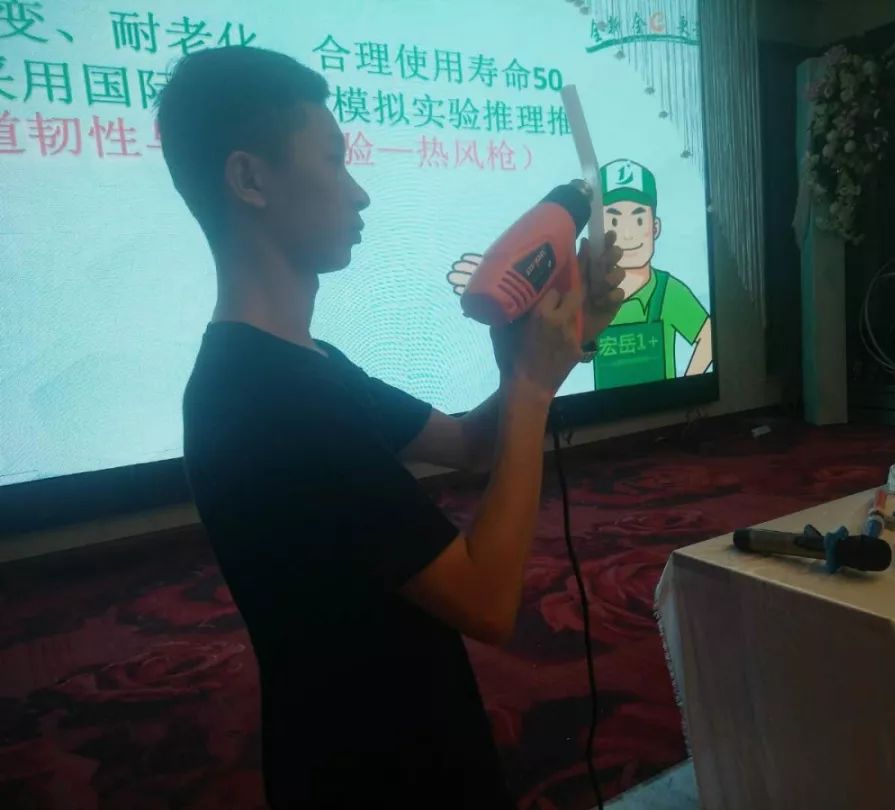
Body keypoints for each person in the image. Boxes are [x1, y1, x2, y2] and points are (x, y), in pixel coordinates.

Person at [158, 47, 624, 808]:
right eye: (334, 160)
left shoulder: (298, 366)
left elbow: (470, 446)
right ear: (249, 180)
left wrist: (572, 335)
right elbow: (486, 601)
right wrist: (532, 388)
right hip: (378, 769)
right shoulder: (272, 403)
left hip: (380, 736)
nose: (360, 192)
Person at [449, 158, 712, 390]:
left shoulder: (668, 293)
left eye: (638, 219)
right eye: (614, 219)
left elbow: (707, 334)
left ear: (655, 227)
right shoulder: (577, 291)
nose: (628, 233)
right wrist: (529, 378)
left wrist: (689, 385)